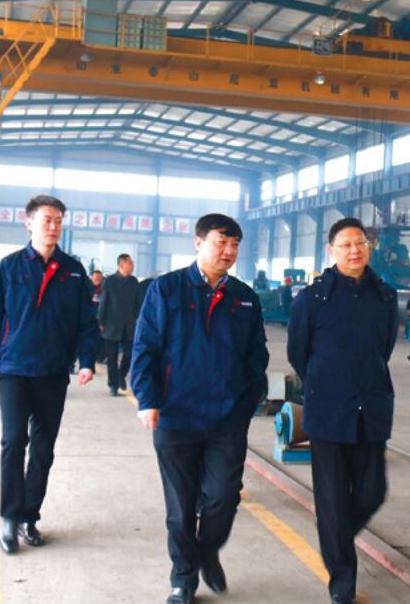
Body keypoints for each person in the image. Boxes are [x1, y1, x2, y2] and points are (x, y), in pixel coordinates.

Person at [131, 213, 269, 604]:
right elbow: (145, 348)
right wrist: (147, 399)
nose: (229, 251)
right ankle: (183, 578)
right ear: (198, 242)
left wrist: (247, 401)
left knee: (223, 497)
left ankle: (207, 550)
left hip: (226, 419)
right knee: (180, 507)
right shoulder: (167, 289)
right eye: (221, 242)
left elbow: (256, 356)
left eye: (235, 244)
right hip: (175, 416)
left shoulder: (244, 297)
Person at [0, 194, 98, 555]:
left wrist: (87, 360)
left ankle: (29, 516)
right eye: (47, 220)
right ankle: (9, 517)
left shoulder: (73, 271)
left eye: (58, 221)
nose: (53, 227)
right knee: (14, 442)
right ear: (29, 223)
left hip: (53, 372)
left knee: (43, 449)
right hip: (14, 369)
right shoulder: (10, 267)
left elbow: (86, 322)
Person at [287, 218, 398, 604]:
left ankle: (335, 540)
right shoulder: (312, 298)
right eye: (346, 244)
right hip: (329, 412)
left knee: (372, 492)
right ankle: (342, 584)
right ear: (331, 251)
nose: (354, 250)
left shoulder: (384, 297)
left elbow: (384, 349)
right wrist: (325, 383)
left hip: (371, 410)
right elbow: (298, 353)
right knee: (332, 501)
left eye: (360, 243)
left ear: (369, 247)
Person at [98, 254, 140, 396]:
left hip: (129, 325)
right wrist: (101, 321)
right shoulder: (110, 281)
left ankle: (121, 375)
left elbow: (138, 303)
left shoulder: (134, 282)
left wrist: (136, 318)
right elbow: (103, 301)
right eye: (130, 263)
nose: (133, 265)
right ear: (121, 265)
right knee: (112, 358)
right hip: (111, 324)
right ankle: (113, 385)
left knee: (129, 355)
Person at [90, 270, 106, 363]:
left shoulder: (104, 289)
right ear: (91, 277)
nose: (97, 279)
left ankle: (100, 357)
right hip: (89, 317)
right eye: (95, 278)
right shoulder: (86, 288)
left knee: (100, 339)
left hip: (100, 318)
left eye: (99, 278)